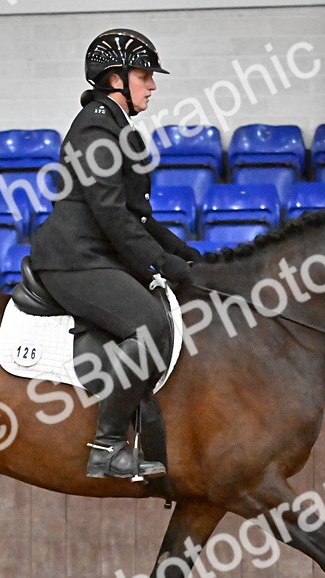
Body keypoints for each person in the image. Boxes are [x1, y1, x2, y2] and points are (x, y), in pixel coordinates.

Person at [30, 28, 200, 480]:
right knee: (148, 325)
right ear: (114, 79)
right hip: (73, 260)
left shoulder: (117, 129)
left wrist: (190, 258)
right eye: (144, 75)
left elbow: (139, 218)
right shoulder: (96, 127)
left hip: (96, 256)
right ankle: (106, 446)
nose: (153, 85)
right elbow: (110, 215)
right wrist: (163, 264)